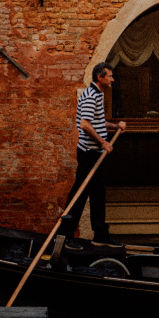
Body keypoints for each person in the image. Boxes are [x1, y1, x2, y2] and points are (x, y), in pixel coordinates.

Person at [60, 63, 126, 246]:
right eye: (110, 76)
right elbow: (85, 125)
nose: (112, 79)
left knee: (98, 193)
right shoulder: (90, 96)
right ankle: (65, 236)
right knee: (79, 194)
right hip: (89, 153)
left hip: (95, 154)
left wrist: (114, 126)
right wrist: (103, 142)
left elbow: (97, 121)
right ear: (100, 77)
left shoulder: (98, 93)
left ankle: (100, 234)